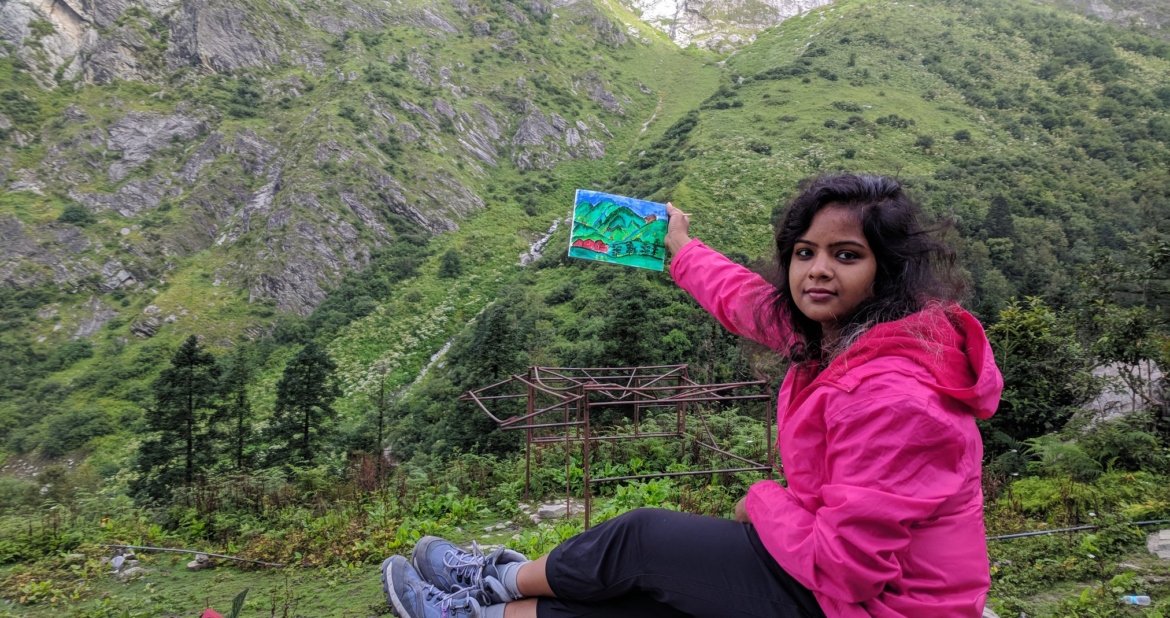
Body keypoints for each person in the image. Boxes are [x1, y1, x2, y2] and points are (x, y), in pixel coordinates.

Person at [380, 174, 1003, 618]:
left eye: (846, 255)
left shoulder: (895, 394)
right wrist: (680, 248)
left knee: (643, 540)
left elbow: (846, 567)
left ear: (885, 271)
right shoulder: (840, 336)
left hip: (885, 602)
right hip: (852, 584)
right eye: (804, 252)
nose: (817, 269)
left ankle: (498, 578)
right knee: (654, 596)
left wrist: (763, 500)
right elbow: (743, 300)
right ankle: (485, 613)